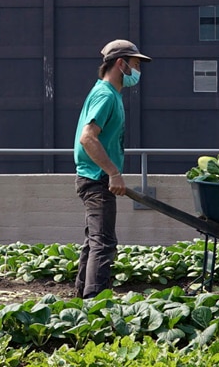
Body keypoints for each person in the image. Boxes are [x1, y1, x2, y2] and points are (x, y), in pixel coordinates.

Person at [73, 39, 151, 298]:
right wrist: (113, 173)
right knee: (104, 243)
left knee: (94, 241)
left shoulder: (107, 94)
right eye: (136, 64)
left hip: (94, 178)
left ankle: (82, 297)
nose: (138, 71)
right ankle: (94, 303)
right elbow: (88, 137)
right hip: (97, 180)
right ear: (121, 63)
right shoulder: (105, 95)